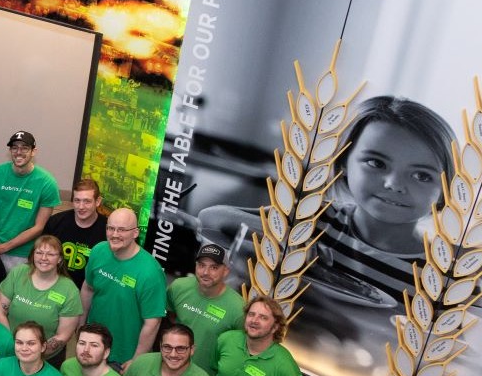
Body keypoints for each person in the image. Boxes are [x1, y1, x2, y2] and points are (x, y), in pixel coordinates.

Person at [195, 95, 455, 312]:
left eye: (422, 175)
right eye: (377, 163)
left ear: (444, 188)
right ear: (343, 163)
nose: (394, 184)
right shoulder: (316, 218)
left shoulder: (442, 273)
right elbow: (211, 217)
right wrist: (287, 238)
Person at [81, 208, 168, 367]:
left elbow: (152, 322)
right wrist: (80, 327)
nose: (114, 235)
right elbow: (88, 288)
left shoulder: (150, 272)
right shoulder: (99, 251)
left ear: (135, 233)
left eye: (121, 230)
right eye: (110, 228)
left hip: (123, 356)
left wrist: (136, 360)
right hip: (92, 345)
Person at [0, 234, 83, 362]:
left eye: (50, 254)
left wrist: (34, 355)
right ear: (33, 255)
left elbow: (63, 335)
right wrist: (13, 345)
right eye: (39, 252)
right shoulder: (19, 273)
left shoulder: (69, 290)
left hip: (46, 358)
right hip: (9, 350)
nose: (44, 258)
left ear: (59, 259)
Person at [0, 130, 61, 265]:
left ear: (33, 151)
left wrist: (4, 247)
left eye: (24, 148)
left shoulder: (47, 182)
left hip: (24, 254)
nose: (19, 152)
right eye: (15, 148)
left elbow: (38, 227)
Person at [167, 242, 246, 376]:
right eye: (201, 265)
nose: (205, 272)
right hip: (169, 369)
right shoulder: (178, 287)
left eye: (214, 267)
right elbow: (168, 319)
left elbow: (240, 353)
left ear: (226, 271)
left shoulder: (238, 309)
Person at [44, 178, 107, 286]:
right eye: (77, 201)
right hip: (54, 285)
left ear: (98, 201)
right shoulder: (55, 222)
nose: (81, 207)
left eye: (87, 201)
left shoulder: (109, 230)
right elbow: (41, 256)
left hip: (89, 289)